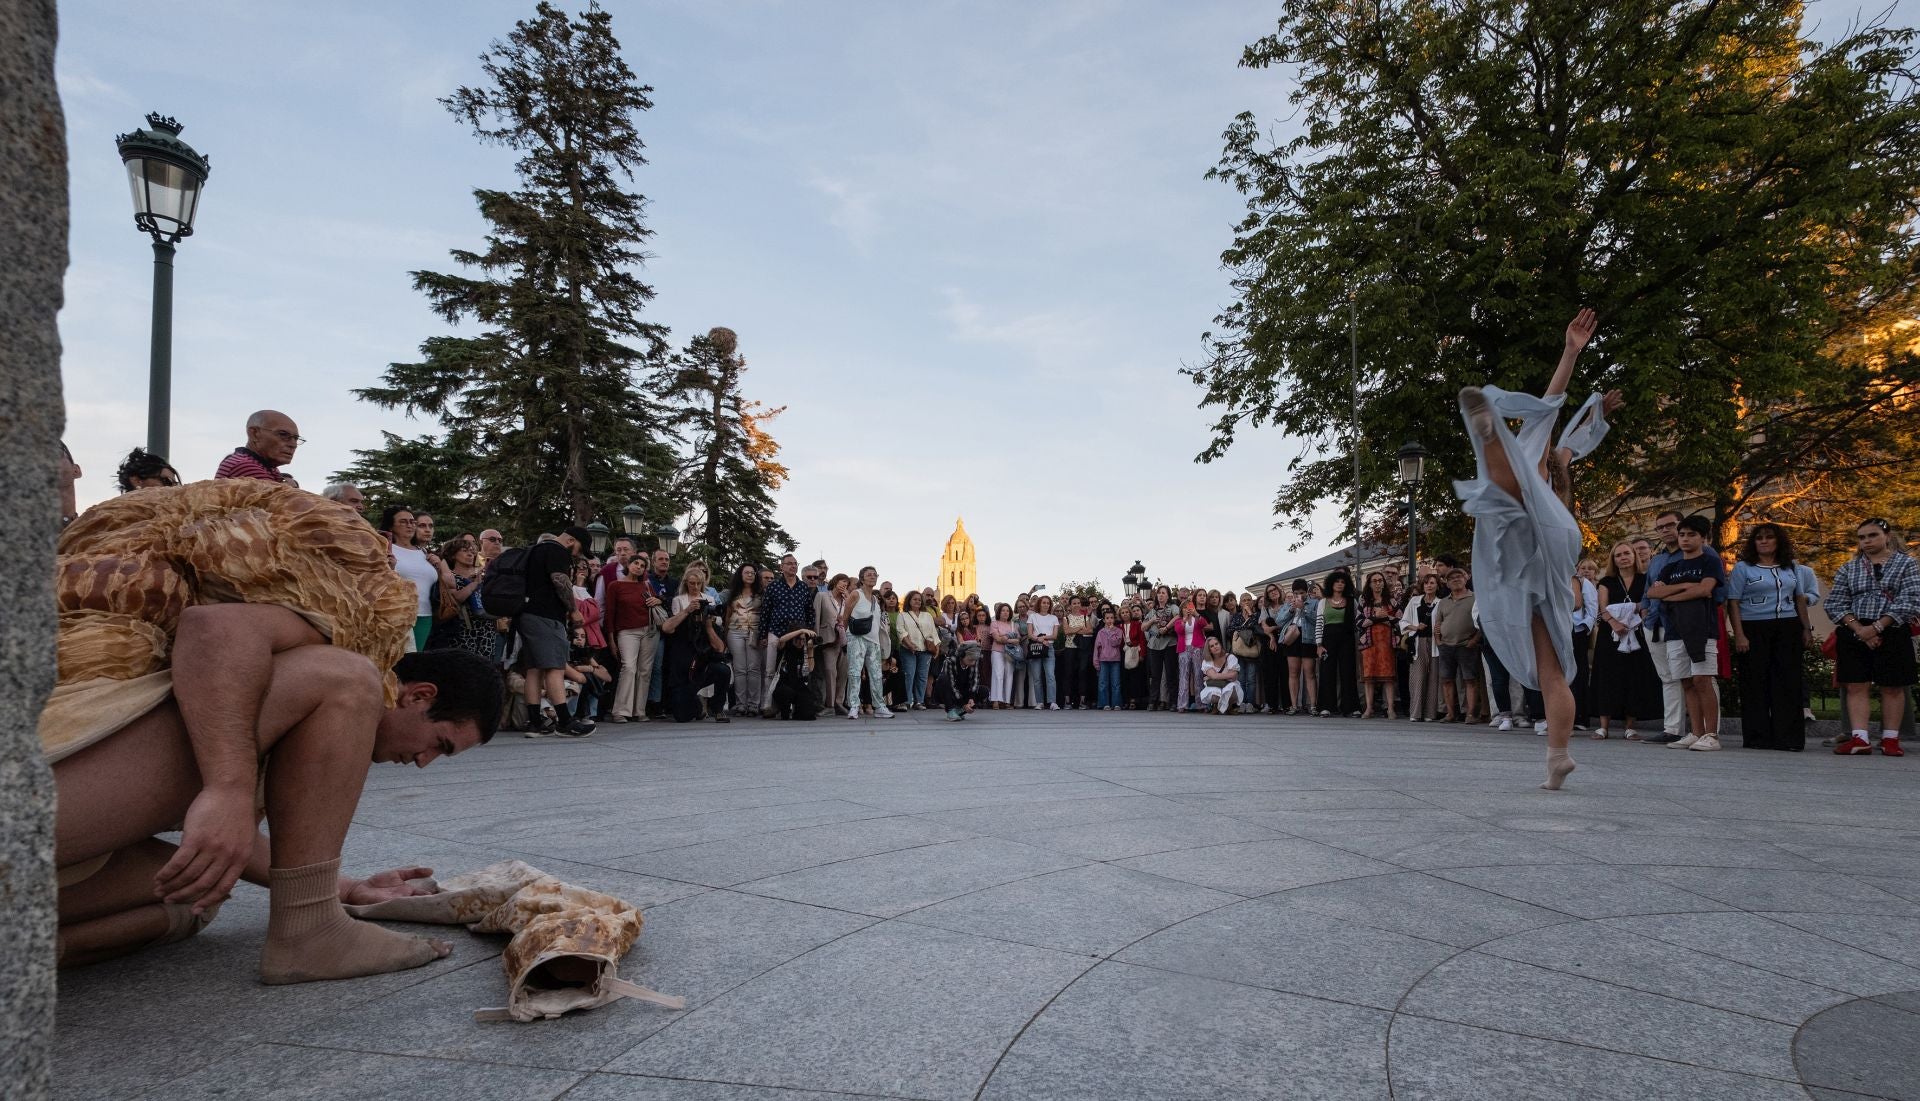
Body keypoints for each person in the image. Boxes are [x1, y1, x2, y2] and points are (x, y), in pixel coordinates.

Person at [53, 603, 500, 978]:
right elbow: (213, 624)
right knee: (345, 677)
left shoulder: (298, 735)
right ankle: (308, 930)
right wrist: (228, 785)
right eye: (439, 744)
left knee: (197, 896)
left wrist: (346, 888)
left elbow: (230, 841)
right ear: (418, 696)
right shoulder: (338, 640)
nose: (424, 762)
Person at [1453, 307, 1615, 788]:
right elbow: (1568, 422)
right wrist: (1598, 413)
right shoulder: (1561, 459)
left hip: (1537, 527)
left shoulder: (1537, 446)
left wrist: (1570, 352)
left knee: (1504, 495)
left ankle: (1492, 455)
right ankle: (1557, 758)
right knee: (1552, 671)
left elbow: (1553, 400)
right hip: (1552, 550)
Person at [1827, 518, 1919, 756]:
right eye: (1862, 537)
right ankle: (1860, 738)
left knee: (1892, 686)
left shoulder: (1907, 564)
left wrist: (1878, 627)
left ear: (1887, 536)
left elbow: (1910, 600)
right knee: (1856, 684)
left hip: (1893, 628)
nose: (1866, 541)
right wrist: (1860, 629)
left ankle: (1890, 739)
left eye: (1872, 535)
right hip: (1856, 629)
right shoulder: (1850, 567)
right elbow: (1835, 602)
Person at [1725, 523, 1812, 751]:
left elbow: (1800, 598)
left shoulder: (1791, 567)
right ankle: (1758, 737)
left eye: (1769, 537)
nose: (1764, 541)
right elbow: (1733, 601)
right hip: (1754, 628)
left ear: (1778, 541)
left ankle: (1789, 738)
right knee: (1755, 683)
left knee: (1788, 682)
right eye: (1759, 538)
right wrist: (1740, 635)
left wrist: (1806, 628)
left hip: (1788, 627)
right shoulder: (1743, 568)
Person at [1645, 515, 1726, 751]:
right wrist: (1684, 587)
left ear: (1702, 537)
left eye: (1691, 534)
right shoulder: (1671, 567)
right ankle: (1695, 732)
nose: (1685, 539)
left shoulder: (1709, 562)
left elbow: (1705, 589)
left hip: (1701, 628)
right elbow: (1653, 593)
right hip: (1674, 629)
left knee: (1703, 679)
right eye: (1682, 534)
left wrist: (1671, 595)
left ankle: (1711, 734)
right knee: (1686, 681)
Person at [518, 527, 595, 738]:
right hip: (547, 615)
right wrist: (573, 610)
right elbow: (559, 580)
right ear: (571, 540)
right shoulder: (557, 551)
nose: (578, 554)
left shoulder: (536, 550)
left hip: (527, 613)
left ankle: (536, 722)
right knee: (554, 666)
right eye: (579, 548)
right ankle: (564, 721)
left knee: (534, 668)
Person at [1593, 541, 1662, 740]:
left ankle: (1630, 726)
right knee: (1607, 677)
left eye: (1626, 553)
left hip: (1637, 632)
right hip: (1611, 634)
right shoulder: (1607, 581)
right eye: (1618, 555)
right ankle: (1603, 726)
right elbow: (1603, 607)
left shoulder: (1644, 579)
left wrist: (1637, 616)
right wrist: (1614, 623)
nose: (1623, 557)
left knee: (1634, 677)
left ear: (1634, 556)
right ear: (1613, 560)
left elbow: (1647, 602)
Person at [659, 563, 731, 723]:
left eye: (699, 583)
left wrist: (708, 624)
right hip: (684, 658)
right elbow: (667, 628)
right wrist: (687, 610)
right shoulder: (679, 600)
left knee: (723, 670)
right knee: (683, 717)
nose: (695, 586)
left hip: (703, 659)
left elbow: (719, 647)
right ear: (686, 583)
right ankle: (696, 705)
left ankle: (717, 708)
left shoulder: (709, 599)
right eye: (692, 583)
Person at [603, 543, 654, 723]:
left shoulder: (646, 586)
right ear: (628, 565)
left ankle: (639, 710)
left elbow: (657, 606)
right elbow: (610, 614)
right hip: (626, 632)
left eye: (642, 566)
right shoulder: (615, 586)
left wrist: (656, 601)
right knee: (629, 668)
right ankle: (621, 710)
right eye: (636, 564)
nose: (639, 568)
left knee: (644, 671)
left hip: (649, 631)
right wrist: (611, 639)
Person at [757, 554, 814, 714]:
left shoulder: (803, 587)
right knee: (770, 671)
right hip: (776, 631)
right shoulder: (773, 587)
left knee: (796, 671)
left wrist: (809, 633)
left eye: (795, 563)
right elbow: (765, 612)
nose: (793, 566)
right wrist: (763, 635)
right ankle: (767, 705)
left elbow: (810, 611)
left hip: (798, 636)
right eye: (789, 564)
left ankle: (792, 705)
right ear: (781, 566)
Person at [379, 507, 440, 652]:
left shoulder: (424, 552)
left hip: (425, 615)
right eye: (403, 522)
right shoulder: (385, 549)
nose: (410, 525)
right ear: (391, 526)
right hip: (396, 615)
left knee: (415, 662)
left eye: (412, 522)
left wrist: (439, 566)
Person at [424, 535, 495, 659]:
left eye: (472, 552)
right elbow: (455, 599)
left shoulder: (482, 574)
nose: (470, 554)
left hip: (486, 629)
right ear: (452, 555)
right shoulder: (449, 576)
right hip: (461, 631)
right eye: (464, 551)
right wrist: (473, 585)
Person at [840, 566, 894, 720]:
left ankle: (879, 706)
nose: (872, 577)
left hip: (874, 641)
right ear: (862, 578)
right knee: (855, 672)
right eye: (868, 575)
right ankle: (854, 706)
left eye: (874, 575)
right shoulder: (856, 594)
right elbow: (845, 617)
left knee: (876, 674)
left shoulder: (876, 599)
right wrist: (844, 638)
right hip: (856, 638)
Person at [1432, 569, 1480, 723]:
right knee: (1446, 680)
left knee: (1470, 680)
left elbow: (1482, 621)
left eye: (1459, 576)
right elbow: (1438, 623)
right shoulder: (1443, 602)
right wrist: (1438, 641)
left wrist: (1475, 640)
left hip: (1467, 645)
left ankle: (1470, 714)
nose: (1455, 579)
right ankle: (1451, 714)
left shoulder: (1475, 598)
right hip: (1446, 646)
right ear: (1446, 582)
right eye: (1451, 578)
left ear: (1466, 578)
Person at [1313, 570, 1361, 717]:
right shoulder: (1323, 602)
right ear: (1331, 584)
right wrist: (1319, 645)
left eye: (1342, 582)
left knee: (1348, 672)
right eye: (1337, 581)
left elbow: (1357, 622)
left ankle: (1351, 707)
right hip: (1328, 639)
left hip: (1347, 639)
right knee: (1327, 672)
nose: (1340, 584)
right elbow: (1319, 623)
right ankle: (1326, 706)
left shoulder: (1352, 601)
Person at [723, 563, 766, 720]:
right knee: (740, 668)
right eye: (746, 572)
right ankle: (741, 704)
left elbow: (765, 615)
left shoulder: (762, 593)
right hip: (735, 632)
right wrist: (725, 635)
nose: (750, 575)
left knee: (754, 668)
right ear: (740, 575)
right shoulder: (733, 593)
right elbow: (728, 615)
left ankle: (754, 704)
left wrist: (763, 635)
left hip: (755, 632)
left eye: (752, 573)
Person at [215, 410, 300, 483]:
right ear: (254, 434)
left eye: (295, 438)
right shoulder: (245, 466)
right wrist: (292, 485)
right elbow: (286, 501)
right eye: (283, 434)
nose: (293, 445)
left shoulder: (264, 466)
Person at [1400, 574, 1442, 721]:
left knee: (1433, 678)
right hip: (1418, 643)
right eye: (1426, 583)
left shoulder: (1440, 603)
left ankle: (1430, 714)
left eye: (1432, 583)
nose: (1429, 586)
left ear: (1437, 585)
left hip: (1435, 643)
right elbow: (1404, 622)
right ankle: (1415, 713)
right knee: (1417, 678)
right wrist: (1416, 627)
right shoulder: (1414, 601)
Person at [1358, 572, 1399, 719]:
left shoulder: (1391, 601)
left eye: (1380, 580)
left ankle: (1390, 709)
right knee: (1369, 678)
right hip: (1368, 642)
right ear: (1369, 584)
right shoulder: (1364, 601)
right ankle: (1369, 708)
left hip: (1387, 642)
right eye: (1374, 581)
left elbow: (1399, 621)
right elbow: (1359, 622)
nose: (1377, 583)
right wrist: (1377, 618)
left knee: (1388, 677)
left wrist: (1384, 617)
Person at [1570, 559, 1601, 731]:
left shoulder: (1583, 583)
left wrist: (1583, 627)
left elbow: (1592, 607)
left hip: (1577, 631)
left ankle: (1581, 717)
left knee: (1580, 672)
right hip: (1558, 631)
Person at [896, 590, 939, 710]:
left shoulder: (927, 615)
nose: (917, 601)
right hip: (908, 650)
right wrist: (909, 644)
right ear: (909, 601)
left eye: (919, 600)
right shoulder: (903, 615)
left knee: (922, 676)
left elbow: (933, 633)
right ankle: (907, 701)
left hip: (925, 650)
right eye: (914, 599)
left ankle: (919, 701)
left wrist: (937, 648)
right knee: (909, 674)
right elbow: (901, 631)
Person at [812, 574, 848, 715]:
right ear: (835, 582)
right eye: (842, 581)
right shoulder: (822, 596)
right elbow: (816, 616)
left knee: (843, 673)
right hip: (828, 639)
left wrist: (849, 597)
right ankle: (829, 705)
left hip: (844, 640)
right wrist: (815, 638)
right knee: (829, 671)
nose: (844, 584)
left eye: (846, 583)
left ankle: (839, 703)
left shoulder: (848, 599)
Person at [1170, 600, 1208, 712]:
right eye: (1185, 608)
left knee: (1198, 676)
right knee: (1183, 677)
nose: (1188, 609)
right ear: (1182, 610)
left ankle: (1201, 704)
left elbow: (1204, 624)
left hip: (1197, 648)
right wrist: (1185, 620)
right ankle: (1182, 705)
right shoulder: (1179, 621)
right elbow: (1179, 630)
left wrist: (1196, 614)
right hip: (1184, 649)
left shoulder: (1197, 618)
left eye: (1189, 607)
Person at [1144, 586, 1177, 711]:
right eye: (1159, 593)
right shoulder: (1153, 611)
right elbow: (1143, 627)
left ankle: (1173, 702)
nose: (1161, 595)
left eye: (1163, 593)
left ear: (1168, 596)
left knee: (1171, 674)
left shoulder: (1173, 607)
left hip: (1170, 643)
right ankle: (1152, 702)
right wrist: (1151, 620)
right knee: (1155, 675)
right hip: (1154, 645)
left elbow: (1178, 617)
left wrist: (1167, 627)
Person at [1025, 595, 1061, 710]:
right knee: (1037, 677)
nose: (1046, 604)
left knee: (1050, 675)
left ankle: (1052, 702)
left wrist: (1044, 638)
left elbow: (1055, 636)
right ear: (1039, 603)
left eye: (1048, 603)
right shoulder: (1032, 617)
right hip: (1036, 647)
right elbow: (1030, 634)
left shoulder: (1053, 618)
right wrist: (1039, 639)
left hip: (1049, 647)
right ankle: (1039, 702)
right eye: (1043, 602)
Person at [1196, 637, 1244, 715]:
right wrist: (1226, 676)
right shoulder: (1207, 661)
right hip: (1216, 685)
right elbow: (1216, 676)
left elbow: (1234, 676)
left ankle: (1229, 706)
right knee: (1213, 693)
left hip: (1229, 684)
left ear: (1220, 645)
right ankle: (1216, 705)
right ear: (1209, 650)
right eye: (1212, 646)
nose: (1215, 647)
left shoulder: (1230, 658)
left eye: (1216, 644)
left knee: (1231, 688)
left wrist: (1213, 676)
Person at [1093, 609, 1124, 711]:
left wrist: (1111, 633)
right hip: (1103, 660)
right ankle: (1104, 703)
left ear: (1114, 619)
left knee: (1116, 683)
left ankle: (1116, 703)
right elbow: (1096, 648)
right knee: (1102, 683)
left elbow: (1116, 643)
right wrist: (1096, 662)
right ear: (1104, 620)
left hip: (1115, 660)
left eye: (1111, 618)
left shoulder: (1118, 631)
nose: (1110, 620)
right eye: (1107, 618)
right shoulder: (1100, 632)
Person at [989, 603, 1018, 708]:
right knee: (997, 675)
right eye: (1003, 610)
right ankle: (996, 700)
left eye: (1007, 611)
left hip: (1010, 653)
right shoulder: (994, 623)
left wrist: (1005, 638)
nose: (1005, 612)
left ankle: (1007, 701)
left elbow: (1017, 640)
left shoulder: (1013, 625)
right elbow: (997, 639)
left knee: (1009, 675)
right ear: (999, 612)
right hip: (997, 651)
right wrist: (1009, 639)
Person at [115, 447, 180, 492]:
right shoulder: (114, 510)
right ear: (136, 481)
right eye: (167, 481)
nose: (174, 489)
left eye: (176, 485)